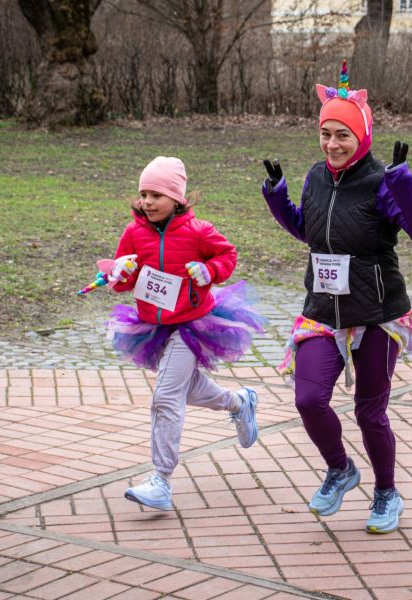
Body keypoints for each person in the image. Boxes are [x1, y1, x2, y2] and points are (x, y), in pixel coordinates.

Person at [261, 61, 412, 534]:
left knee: (369, 411)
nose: (333, 144)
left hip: (378, 315)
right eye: (326, 134)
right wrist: (278, 200)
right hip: (323, 310)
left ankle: (386, 492)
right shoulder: (317, 176)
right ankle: (340, 469)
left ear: (361, 136)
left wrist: (405, 185)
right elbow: (309, 231)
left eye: (343, 135)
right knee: (308, 398)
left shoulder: (382, 181)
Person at [104, 155, 264, 511]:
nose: (147, 202)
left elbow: (228, 256)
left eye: (156, 195)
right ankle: (240, 403)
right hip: (152, 326)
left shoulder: (198, 231)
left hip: (193, 324)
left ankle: (160, 480)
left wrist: (209, 272)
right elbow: (120, 283)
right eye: (143, 194)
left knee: (165, 396)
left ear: (176, 198)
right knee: (183, 386)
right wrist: (121, 270)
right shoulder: (133, 232)